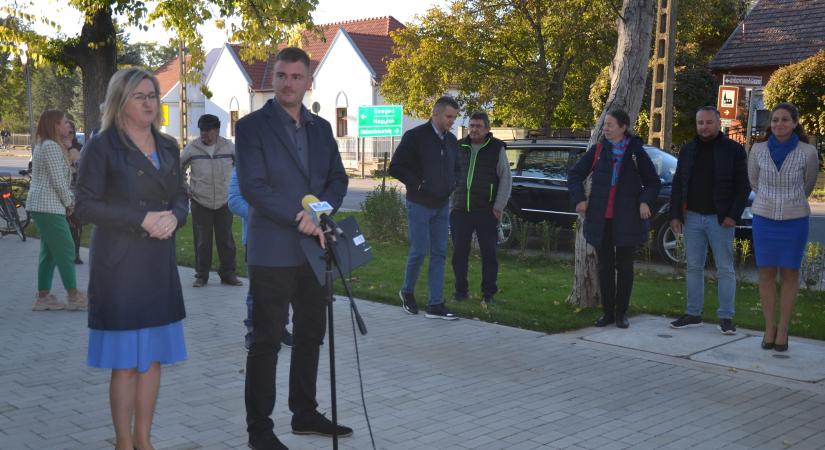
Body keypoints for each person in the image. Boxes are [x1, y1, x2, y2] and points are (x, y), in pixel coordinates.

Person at [236, 47, 351, 450]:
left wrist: (319, 214)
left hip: (314, 250)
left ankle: (304, 412)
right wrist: (298, 215)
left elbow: (338, 180)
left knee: (311, 333)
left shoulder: (321, 128)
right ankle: (260, 432)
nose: (288, 83)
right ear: (274, 79)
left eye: (296, 77)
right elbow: (253, 186)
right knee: (266, 341)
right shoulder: (251, 127)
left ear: (308, 81)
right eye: (281, 76)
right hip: (271, 249)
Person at [75, 68, 189, 450]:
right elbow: (85, 205)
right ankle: (124, 442)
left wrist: (176, 216)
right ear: (121, 101)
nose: (149, 103)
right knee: (125, 365)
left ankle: (144, 440)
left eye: (153, 95)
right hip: (120, 265)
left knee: (152, 361)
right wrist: (140, 219)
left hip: (158, 262)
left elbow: (181, 195)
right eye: (140, 96)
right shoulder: (102, 147)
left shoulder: (170, 147)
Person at [568, 109, 661, 329]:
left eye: (610, 125)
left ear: (623, 127)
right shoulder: (599, 149)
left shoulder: (636, 152)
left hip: (628, 219)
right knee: (605, 267)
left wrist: (645, 201)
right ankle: (607, 312)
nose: (605, 128)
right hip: (601, 219)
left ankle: (622, 314)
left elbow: (653, 182)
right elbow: (574, 174)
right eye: (605, 125)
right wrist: (579, 199)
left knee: (625, 267)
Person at [668, 106, 750, 334]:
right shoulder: (688, 149)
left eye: (708, 122)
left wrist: (733, 215)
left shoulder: (733, 150)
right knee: (693, 267)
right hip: (692, 218)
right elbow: (678, 185)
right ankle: (693, 314)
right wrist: (675, 214)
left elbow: (743, 187)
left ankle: (726, 317)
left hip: (720, 220)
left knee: (725, 269)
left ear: (718, 122)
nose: (704, 127)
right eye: (700, 123)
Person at [748, 102, 819, 352]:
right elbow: (754, 182)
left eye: (785, 120)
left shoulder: (808, 152)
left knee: (790, 274)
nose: (779, 124)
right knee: (766, 273)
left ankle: (783, 331)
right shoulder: (757, 150)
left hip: (795, 220)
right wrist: (770, 201)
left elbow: (808, 185)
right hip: (764, 220)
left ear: (795, 123)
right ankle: (769, 328)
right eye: (775, 119)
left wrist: (789, 202)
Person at [389, 95, 461, 320]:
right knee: (419, 250)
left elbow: (458, 167)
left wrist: (452, 184)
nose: (452, 121)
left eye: (454, 117)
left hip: (442, 205)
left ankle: (435, 304)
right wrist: (418, 184)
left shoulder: (450, 141)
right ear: (436, 114)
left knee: (439, 253)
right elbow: (396, 167)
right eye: (449, 117)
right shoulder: (415, 137)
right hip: (419, 204)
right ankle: (407, 291)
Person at [27, 109, 87, 311]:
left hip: (45, 205)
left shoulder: (48, 145)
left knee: (50, 252)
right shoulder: (50, 146)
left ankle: (43, 297)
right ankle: (73, 295)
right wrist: (70, 202)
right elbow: (58, 181)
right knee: (67, 248)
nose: (68, 124)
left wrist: (70, 156)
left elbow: (62, 174)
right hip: (47, 205)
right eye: (64, 122)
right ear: (55, 126)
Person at [227, 167, 294, 349]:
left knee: (284, 286)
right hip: (257, 239)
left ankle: (280, 328)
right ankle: (254, 330)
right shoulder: (242, 168)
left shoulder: (283, 164)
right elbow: (233, 201)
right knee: (257, 289)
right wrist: (263, 215)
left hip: (285, 236)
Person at [451, 111, 512, 307]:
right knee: (459, 253)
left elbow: (506, 179)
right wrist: (451, 200)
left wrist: (498, 207)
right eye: (472, 125)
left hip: (486, 210)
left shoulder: (496, 148)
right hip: (460, 210)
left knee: (489, 254)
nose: (474, 129)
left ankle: (488, 293)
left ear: (487, 129)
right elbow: (449, 173)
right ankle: (461, 291)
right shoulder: (459, 146)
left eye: (478, 126)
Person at [181, 113, 242, 287]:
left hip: (225, 201)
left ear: (217, 130)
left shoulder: (229, 147)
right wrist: (185, 187)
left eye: (208, 130)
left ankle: (228, 273)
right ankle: (201, 275)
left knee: (226, 240)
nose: (204, 134)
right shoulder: (192, 148)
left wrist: (235, 189)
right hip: (200, 201)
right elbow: (178, 168)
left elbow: (242, 168)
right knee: (202, 240)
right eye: (201, 130)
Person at [63, 118, 84, 264]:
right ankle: (65, 251)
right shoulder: (57, 146)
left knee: (76, 222)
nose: (68, 134)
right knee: (64, 224)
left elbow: (80, 166)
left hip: (75, 187)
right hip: (62, 187)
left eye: (71, 131)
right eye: (66, 131)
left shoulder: (78, 146)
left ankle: (76, 253)